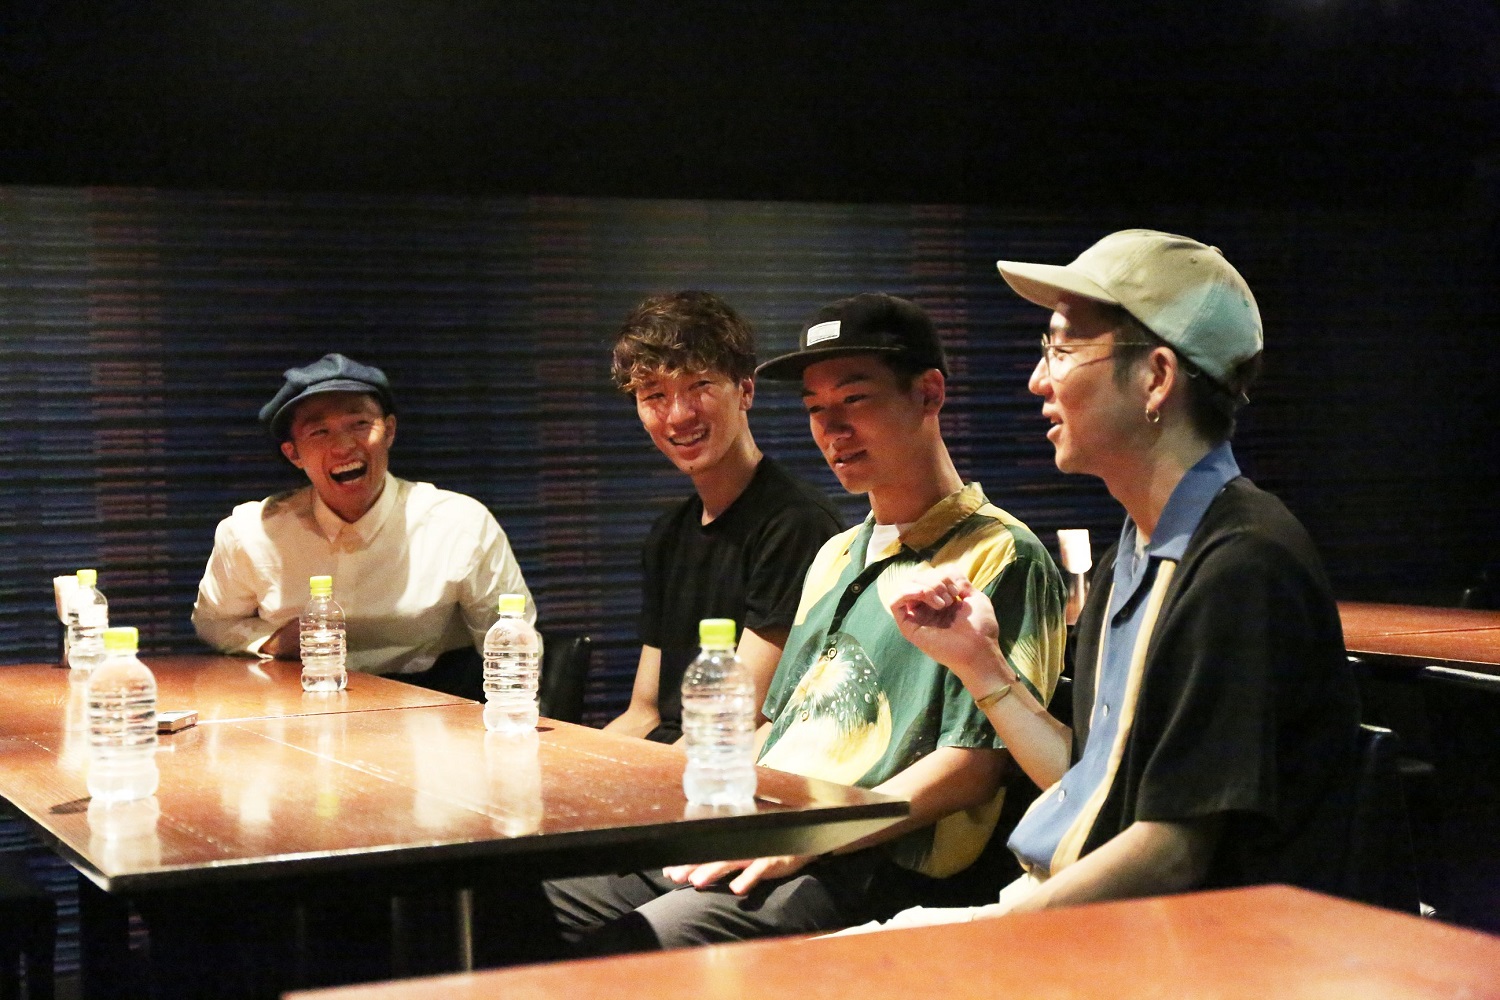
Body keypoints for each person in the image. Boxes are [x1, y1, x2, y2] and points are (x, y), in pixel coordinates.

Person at [543, 292, 1067, 952]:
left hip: (870, 856)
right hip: (771, 822)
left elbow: (976, 766)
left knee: (632, 947)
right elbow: (776, 723)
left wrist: (812, 833)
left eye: (856, 399)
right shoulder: (836, 554)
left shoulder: (1002, 553)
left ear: (928, 393)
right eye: (817, 408)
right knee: (525, 898)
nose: (833, 429)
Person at [877, 229, 1360, 926]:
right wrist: (980, 664)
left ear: (1156, 378)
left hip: (1185, 950)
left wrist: (993, 937)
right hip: (1083, 917)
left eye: (1061, 349)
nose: (1038, 380)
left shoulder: (1241, 564)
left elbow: (1171, 854)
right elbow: (1096, 787)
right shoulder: (1132, 551)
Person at [192, 352, 532, 697]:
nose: (343, 446)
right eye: (319, 431)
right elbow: (213, 622)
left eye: (359, 424)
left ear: (389, 431)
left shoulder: (461, 524)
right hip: (303, 700)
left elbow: (514, 643)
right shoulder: (251, 532)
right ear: (294, 454)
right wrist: (270, 641)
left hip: (429, 703)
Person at [602, 291, 843, 743]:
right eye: (655, 395)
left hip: (725, 764)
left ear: (745, 391)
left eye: (699, 386)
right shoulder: (668, 535)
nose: (678, 415)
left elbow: (734, 724)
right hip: (669, 757)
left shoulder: (796, 525)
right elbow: (643, 712)